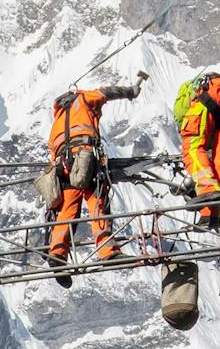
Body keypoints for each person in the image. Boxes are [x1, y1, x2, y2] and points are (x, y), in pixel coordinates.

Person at [43, 76, 145, 285]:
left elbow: (52, 151)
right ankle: (107, 250)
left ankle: (57, 252)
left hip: (63, 165)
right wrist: (131, 91)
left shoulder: (58, 120)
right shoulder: (83, 99)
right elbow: (106, 92)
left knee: (68, 209)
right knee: (97, 201)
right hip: (85, 156)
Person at [173, 71, 220, 225]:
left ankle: (206, 189)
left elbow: (188, 128)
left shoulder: (184, 105)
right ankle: (211, 214)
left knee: (192, 148)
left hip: (210, 94)